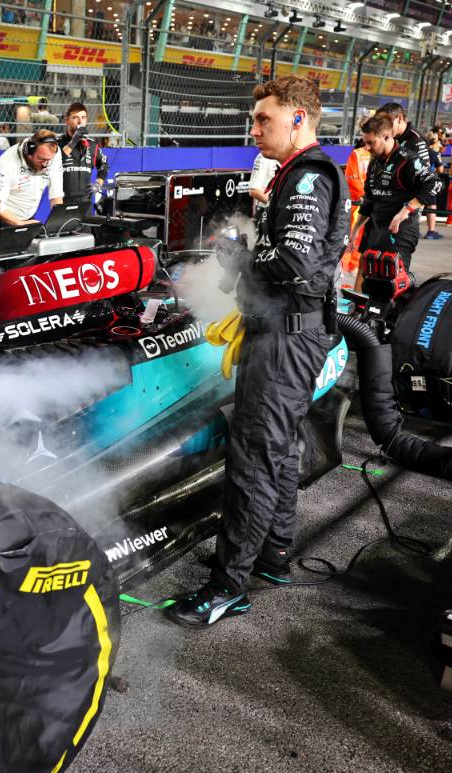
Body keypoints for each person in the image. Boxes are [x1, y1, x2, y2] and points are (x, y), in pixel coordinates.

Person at [166, 75, 347, 627]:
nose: (254, 130)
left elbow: (293, 266)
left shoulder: (310, 176)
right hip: (287, 331)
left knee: (254, 455)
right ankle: (272, 554)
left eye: (263, 120)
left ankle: (228, 585)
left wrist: (239, 261)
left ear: (299, 117)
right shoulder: (297, 174)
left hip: (285, 338)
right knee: (278, 445)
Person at [348, 112, 441, 277]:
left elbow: (435, 183)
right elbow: (369, 199)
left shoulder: (408, 160)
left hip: (399, 233)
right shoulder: (375, 162)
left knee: (392, 284)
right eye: (365, 142)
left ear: (385, 137)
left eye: (371, 143)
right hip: (376, 230)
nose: (367, 148)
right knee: (368, 278)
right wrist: (354, 231)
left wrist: (405, 211)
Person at [0, 129, 64, 227]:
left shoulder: (53, 153)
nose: (45, 165)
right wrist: (19, 223)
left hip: (29, 218)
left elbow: (56, 192)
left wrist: (60, 221)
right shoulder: (6, 162)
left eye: (48, 160)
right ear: (29, 151)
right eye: (41, 159)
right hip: (5, 219)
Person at [57, 102, 109, 207]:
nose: (80, 121)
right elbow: (53, 163)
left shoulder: (92, 145)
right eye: (75, 117)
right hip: (63, 202)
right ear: (67, 120)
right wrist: (73, 142)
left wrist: (98, 183)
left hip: (85, 203)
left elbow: (104, 165)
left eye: (83, 117)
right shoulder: (58, 143)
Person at [340, 138, 371, 288]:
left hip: (368, 202)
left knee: (362, 238)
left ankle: (353, 265)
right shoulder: (356, 154)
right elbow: (351, 179)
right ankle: (343, 267)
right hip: (359, 203)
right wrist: (366, 196)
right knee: (352, 235)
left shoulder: (378, 156)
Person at [376, 102, 431, 167]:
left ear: (399, 118)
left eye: (388, 122)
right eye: (381, 123)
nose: (384, 127)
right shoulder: (391, 137)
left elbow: (424, 171)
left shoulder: (416, 140)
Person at [423, 131, 445, 239]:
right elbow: (440, 170)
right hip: (429, 182)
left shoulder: (416, 151)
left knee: (417, 205)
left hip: (416, 181)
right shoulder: (434, 153)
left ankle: (414, 230)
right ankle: (431, 232)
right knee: (431, 205)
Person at [248, 148, 280, 221]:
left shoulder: (289, 157)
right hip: (266, 210)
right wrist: (278, 205)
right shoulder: (263, 157)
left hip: (282, 212)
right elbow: (254, 191)